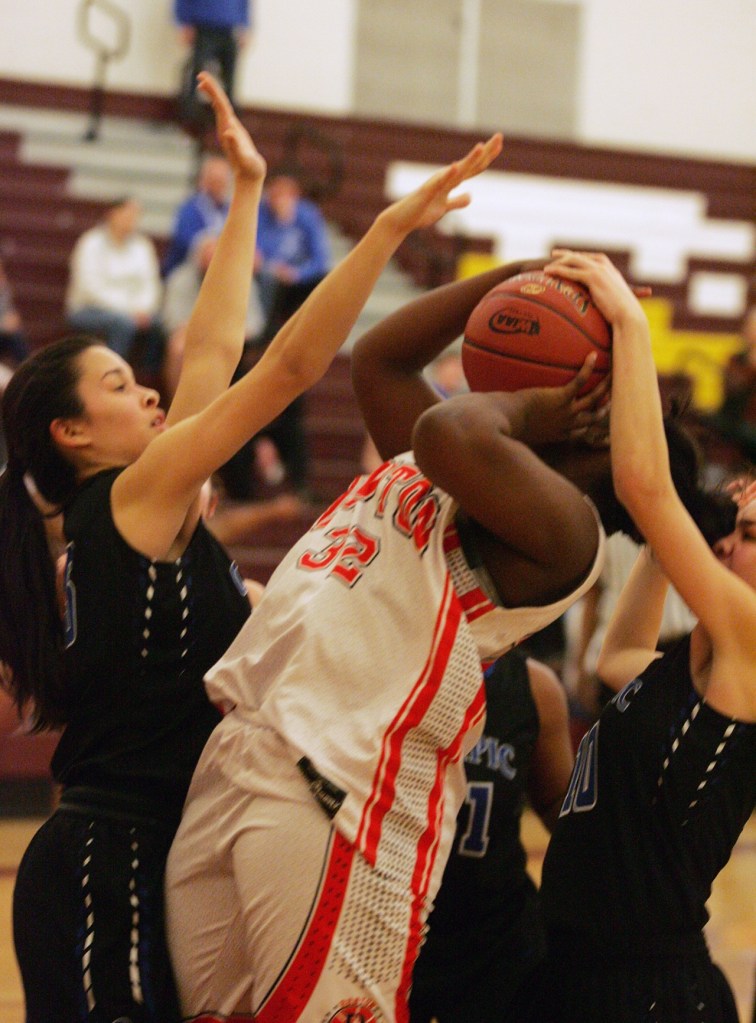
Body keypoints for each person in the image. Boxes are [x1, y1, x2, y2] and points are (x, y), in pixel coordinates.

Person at [1, 71, 492, 1023]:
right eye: (117, 385)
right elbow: (289, 367)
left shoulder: (143, 509)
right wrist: (383, 232)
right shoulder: (129, 499)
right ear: (72, 434)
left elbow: (213, 351)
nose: (149, 392)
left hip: (154, 846)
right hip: (112, 856)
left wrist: (251, 188)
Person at [164, 229, 714, 1018]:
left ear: (600, 419)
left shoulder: (567, 533)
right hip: (248, 749)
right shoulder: (457, 468)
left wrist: (543, 394)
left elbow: (449, 432)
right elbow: (379, 358)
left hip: (347, 791)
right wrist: (526, 277)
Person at [532, 249, 756, 1023]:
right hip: (573, 973)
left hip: (650, 995)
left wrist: (629, 322)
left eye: (752, 533)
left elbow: (643, 484)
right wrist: (672, 545)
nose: (730, 539)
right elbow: (611, 663)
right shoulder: (692, 662)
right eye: (733, 525)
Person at [408, 647, 574, 1023]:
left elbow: (559, 807)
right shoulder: (395, 667)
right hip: (397, 930)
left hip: (497, 937)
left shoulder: (534, 688)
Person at [65, 196, 165, 376]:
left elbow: (151, 284)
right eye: (127, 214)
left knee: (161, 323)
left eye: (136, 215)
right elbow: (90, 288)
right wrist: (129, 310)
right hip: (89, 308)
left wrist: (143, 308)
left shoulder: (143, 246)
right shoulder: (90, 243)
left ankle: (148, 374)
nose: (132, 220)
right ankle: (112, 375)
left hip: (136, 311)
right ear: (112, 214)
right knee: (122, 323)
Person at [161, 229, 264, 401]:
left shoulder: (242, 280)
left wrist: (233, 331)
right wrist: (202, 330)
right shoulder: (180, 278)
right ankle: (177, 406)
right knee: (178, 346)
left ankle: (217, 411)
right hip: (191, 334)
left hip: (229, 338)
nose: (211, 262)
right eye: (208, 256)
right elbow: (172, 318)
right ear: (197, 256)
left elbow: (255, 323)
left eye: (216, 256)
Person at [175, 0, 252, 127]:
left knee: (229, 75)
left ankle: (229, 115)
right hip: (203, 26)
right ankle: (189, 113)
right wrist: (184, 22)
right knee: (197, 71)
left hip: (228, 28)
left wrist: (245, 25)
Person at [162, 153, 232, 277]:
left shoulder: (229, 210)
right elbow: (183, 239)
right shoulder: (190, 207)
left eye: (221, 181)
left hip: (222, 268)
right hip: (189, 267)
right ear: (204, 180)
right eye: (214, 180)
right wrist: (208, 247)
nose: (218, 185)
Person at [0, 256, 30, 368]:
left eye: (2, 272)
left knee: (15, 335)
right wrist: (3, 326)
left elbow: (11, 316)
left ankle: (26, 368)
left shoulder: (4, 292)